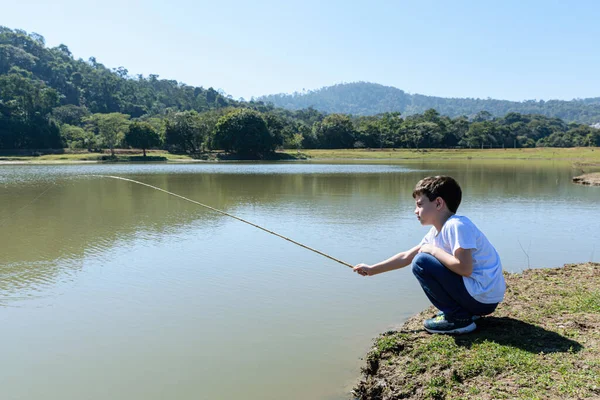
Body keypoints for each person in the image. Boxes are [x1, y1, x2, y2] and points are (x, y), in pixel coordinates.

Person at [353, 176, 505, 334]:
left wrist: (433, 250)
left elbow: (464, 268)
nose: (415, 211)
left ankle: (458, 318)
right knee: (421, 257)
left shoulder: (457, 225)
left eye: (420, 204)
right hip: (481, 298)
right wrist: (372, 269)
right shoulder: (437, 232)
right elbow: (406, 256)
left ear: (438, 203)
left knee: (421, 262)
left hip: (482, 298)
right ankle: (463, 313)